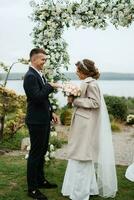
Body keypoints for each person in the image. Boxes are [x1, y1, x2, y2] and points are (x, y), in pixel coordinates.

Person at [62, 59, 117, 200]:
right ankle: (89, 187)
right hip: (82, 123)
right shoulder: (86, 82)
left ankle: (80, 193)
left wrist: (75, 101)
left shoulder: (91, 84)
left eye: (78, 70)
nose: (76, 72)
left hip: (86, 125)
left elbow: (95, 102)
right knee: (80, 154)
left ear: (84, 72)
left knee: (82, 154)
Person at [23, 48, 60, 200]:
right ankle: (32, 189)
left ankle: (40, 180)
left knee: (42, 151)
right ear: (34, 60)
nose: (44, 62)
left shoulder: (39, 74)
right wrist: (50, 86)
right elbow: (37, 97)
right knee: (35, 154)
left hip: (43, 119)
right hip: (36, 121)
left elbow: (44, 100)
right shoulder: (30, 76)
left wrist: (51, 112)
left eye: (45, 59)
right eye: (42, 60)